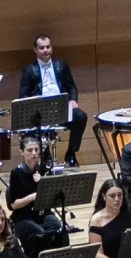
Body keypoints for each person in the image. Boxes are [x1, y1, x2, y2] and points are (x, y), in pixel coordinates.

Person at [20, 34, 87, 164]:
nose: (46, 50)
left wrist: (73, 100)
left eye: (48, 47)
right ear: (35, 50)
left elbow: (72, 87)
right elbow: (23, 95)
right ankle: (45, 155)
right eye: (41, 48)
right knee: (35, 122)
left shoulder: (61, 64)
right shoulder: (29, 70)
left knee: (81, 117)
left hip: (61, 107)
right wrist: (34, 106)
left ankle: (71, 152)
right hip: (41, 110)